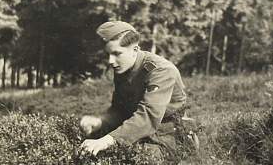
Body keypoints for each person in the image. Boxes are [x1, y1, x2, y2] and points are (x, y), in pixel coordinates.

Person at [79, 21, 190, 157]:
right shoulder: (124, 66)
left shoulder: (161, 70)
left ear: (135, 50)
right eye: (108, 54)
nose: (110, 61)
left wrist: (107, 140)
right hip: (138, 127)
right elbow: (119, 110)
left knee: (138, 161)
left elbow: (148, 117)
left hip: (167, 131)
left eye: (116, 53)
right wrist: (101, 121)